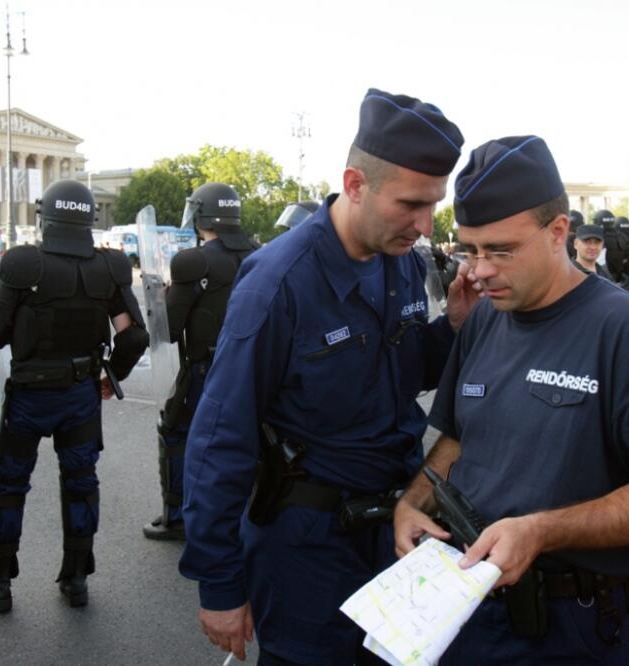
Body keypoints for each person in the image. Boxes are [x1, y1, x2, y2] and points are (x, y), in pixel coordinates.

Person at [179, 89, 481, 664]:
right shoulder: (278, 283)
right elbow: (221, 436)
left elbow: (401, 373)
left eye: (433, 205)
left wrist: (452, 328)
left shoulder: (403, 263)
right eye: (411, 204)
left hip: (393, 528)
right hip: (307, 547)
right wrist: (219, 584)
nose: (424, 225)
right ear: (355, 183)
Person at [392, 135, 629, 665]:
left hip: (565, 627)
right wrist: (412, 503)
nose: (479, 269)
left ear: (558, 231)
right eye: (469, 250)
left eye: (501, 250)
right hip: (461, 607)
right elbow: (457, 437)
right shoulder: (486, 316)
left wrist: (541, 531)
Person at [0, 180, 148, 612]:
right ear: (89, 218)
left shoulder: (24, 264)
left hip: (30, 396)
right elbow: (134, 336)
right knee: (81, 483)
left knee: (9, 485)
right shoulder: (110, 268)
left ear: (44, 216)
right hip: (80, 394)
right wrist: (112, 377)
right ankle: (77, 579)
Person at [143, 182, 258, 541]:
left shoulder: (194, 261)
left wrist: (160, 301)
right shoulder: (262, 253)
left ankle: (176, 515)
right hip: (258, 368)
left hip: (208, 369)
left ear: (201, 215)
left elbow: (170, 330)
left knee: (176, 432)